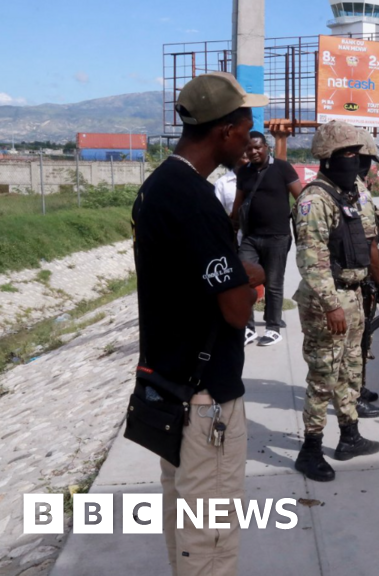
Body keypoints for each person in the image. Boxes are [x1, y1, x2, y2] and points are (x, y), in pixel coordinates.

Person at [132, 71, 267, 576]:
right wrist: (250, 276)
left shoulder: (156, 188)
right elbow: (235, 308)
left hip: (170, 384)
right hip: (205, 400)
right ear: (224, 131)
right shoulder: (194, 201)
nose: (251, 141)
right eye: (248, 130)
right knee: (210, 534)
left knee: (184, 523)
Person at [292, 120, 379, 482]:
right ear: (327, 159)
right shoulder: (315, 200)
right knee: (323, 377)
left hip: (352, 295)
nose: (355, 161)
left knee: (350, 371)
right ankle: (310, 449)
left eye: (356, 154)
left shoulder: (348, 193)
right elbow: (310, 261)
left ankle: (349, 436)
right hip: (326, 301)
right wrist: (331, 305)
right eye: (347, 154)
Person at [232, 131, 303, 347]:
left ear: (266, 147)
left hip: (278, 237)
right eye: (249, 148)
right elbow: (238, 203)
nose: (253, 151)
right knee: (243, 280)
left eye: (257, 147)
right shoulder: (243, 172)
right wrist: (231, 226)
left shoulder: (282, 168)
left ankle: (273, 327)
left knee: (273, 283)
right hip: (250, 237)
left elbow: (301, 199)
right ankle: (248, 328)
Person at [354, 128, 379, 411]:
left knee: (359, 340)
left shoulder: (344, 188)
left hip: (355, 277)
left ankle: (356, 388)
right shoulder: (356, 192)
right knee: (356, 342)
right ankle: (352, 397)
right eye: (366, 160)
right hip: (358, 279)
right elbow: (369, 248)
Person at [214, 153, 247, 244]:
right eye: (244, 157)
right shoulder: (222, 183)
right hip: (236, 238)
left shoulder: (258, 179)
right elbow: (217, 212)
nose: (248, 161)